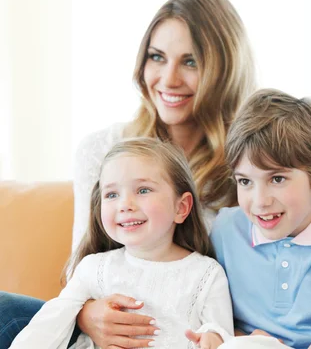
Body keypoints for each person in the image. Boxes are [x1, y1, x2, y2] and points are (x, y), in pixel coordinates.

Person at [0, 0, 255, 349]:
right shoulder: (102, 149)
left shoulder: (245, 168)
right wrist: (88, 315)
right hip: (97, 320)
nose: (168, 79)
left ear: (224, 70)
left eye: (191, 61)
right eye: (157, 57)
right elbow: (84, 260)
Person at [188, 89, 311, 349]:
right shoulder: (226, 228)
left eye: (277, 179)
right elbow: (210, 314)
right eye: (245, 181)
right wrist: (242, 339)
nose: (260, 201)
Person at [9, 138, 233, 348]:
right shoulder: (93, 268)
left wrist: (213, 337)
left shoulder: (207, 274)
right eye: (112, 194)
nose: (125, 204)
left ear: (181, 207)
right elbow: (49, 325)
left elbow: (221, 332)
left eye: (143, 190)